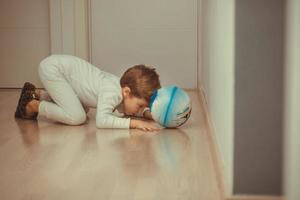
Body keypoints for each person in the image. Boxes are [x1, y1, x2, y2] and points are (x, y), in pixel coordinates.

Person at [15, 55, 161, 132]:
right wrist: (134, 123)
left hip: (64, 74)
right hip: (54, 69)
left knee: (82, 108)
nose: (138, 110)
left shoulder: (123, 90)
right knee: (77, 116)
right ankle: (32, 105)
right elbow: (102, 121)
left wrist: (146, 114)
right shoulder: (113, 92)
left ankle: (38, 94)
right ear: (127, 92)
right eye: (140, 106)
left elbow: (127, 107)